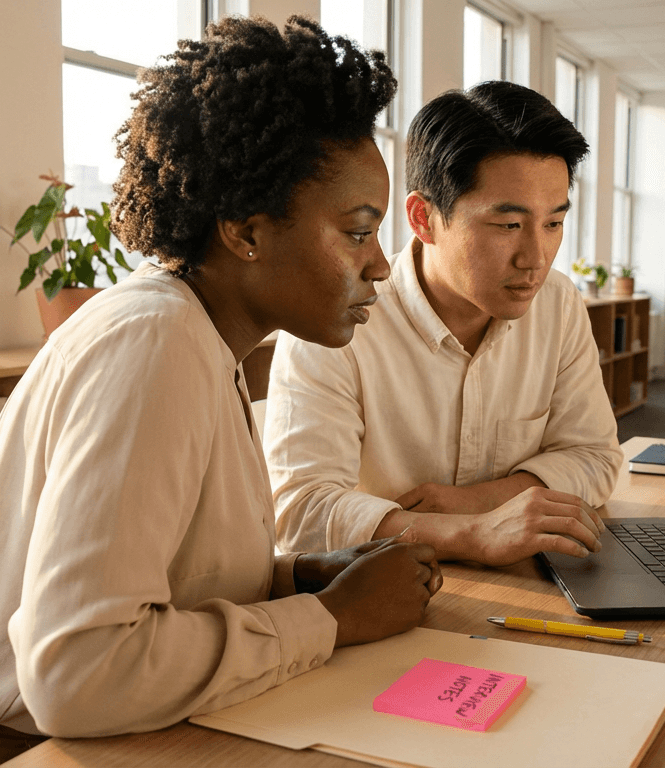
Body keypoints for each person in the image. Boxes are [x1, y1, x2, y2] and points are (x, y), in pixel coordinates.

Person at [0, 17, 440, 768]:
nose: (380, 266)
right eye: (356, 232)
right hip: (3, 752)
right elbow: (78, 673)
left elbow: (167, 576)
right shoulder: (155, 343)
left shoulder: (198, 334)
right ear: (246, 232)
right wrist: (329, 619)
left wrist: (294, 578)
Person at [266, 81, 623, 567]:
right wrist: (469, 533)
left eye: (553, 224)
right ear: (423, 218)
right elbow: (299, 512)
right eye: (508, 225)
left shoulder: (557, 304)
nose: (535, 258)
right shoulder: (333, 323)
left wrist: (475, 503)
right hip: (381, 592)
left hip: (523, 583)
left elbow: (596, 457)